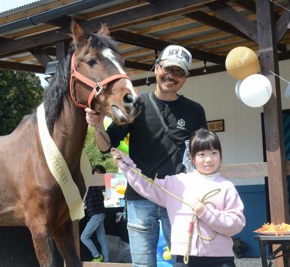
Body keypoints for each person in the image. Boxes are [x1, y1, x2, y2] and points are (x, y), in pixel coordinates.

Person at [85, 44, 207, 266]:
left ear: (186, 77)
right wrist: (97, 126)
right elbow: (105, 146)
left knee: (186, 263)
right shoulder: (136, 104)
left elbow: (203, 155)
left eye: (179, 71)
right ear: (157, 67)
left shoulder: (195, 111)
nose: (171, 76)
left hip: (178, 200)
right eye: (167, 69)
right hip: (139, 201)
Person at [111, 128, 246, 267]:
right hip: (185, 258)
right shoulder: (176, 183)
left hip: (221, 259)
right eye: (201, 154)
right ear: (191, 157)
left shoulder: (226, 186)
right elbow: (146, 185)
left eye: (214, 153)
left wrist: (206, 213)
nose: (208, 159)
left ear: (220, 154)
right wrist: (125, 164)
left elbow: (236, 224)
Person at [80, 164, 109, 262]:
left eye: (100, 172)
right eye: (96, 172)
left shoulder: (92, 186)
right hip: (99, 215)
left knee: (84, 237)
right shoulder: (94, 186)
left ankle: (97, 256)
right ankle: (106, 261)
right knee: (102, 240)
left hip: (97, 215)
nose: (98, 174)